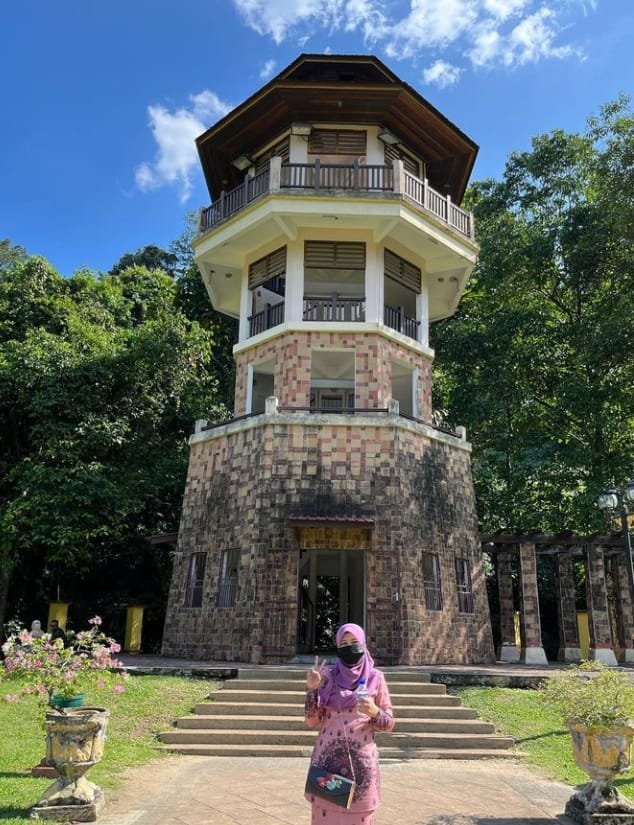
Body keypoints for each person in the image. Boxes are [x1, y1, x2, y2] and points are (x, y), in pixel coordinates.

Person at [304, 623, 395, 825]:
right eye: (344, 643)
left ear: (363, 644)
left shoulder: (376, 678)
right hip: (327, 765)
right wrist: (312, 690)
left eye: (354, 642)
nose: (349, 647)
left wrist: (374, 712)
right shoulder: (327, 676)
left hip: (361, 768)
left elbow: (389, 724)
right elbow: (311, 720)